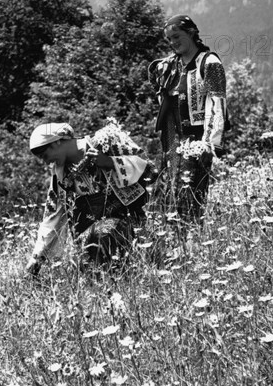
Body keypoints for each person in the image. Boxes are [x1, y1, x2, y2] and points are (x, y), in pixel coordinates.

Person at [26, 118, 156, 276]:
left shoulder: (106, 141)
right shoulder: (60, 175)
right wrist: (37, 258)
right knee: (88, 262)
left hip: (128, 222)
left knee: (100, 238)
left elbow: (150, 169)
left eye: (46, 155)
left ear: (57, 142)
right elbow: (52, 214)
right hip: (90, 240)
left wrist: (109, 162)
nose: (47, 162)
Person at [148, 14, 227, 224]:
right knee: (165, 195)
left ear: (191, 33)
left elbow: (217, 104)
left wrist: (208, 144)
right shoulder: (169, 66)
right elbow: (155, 80)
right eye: (169, 40)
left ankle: (189, 244)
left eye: (177, 36)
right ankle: (170, 244)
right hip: (171, 141)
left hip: (197, 140)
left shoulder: (209, 62)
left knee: (190, 197)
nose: (173, 43)